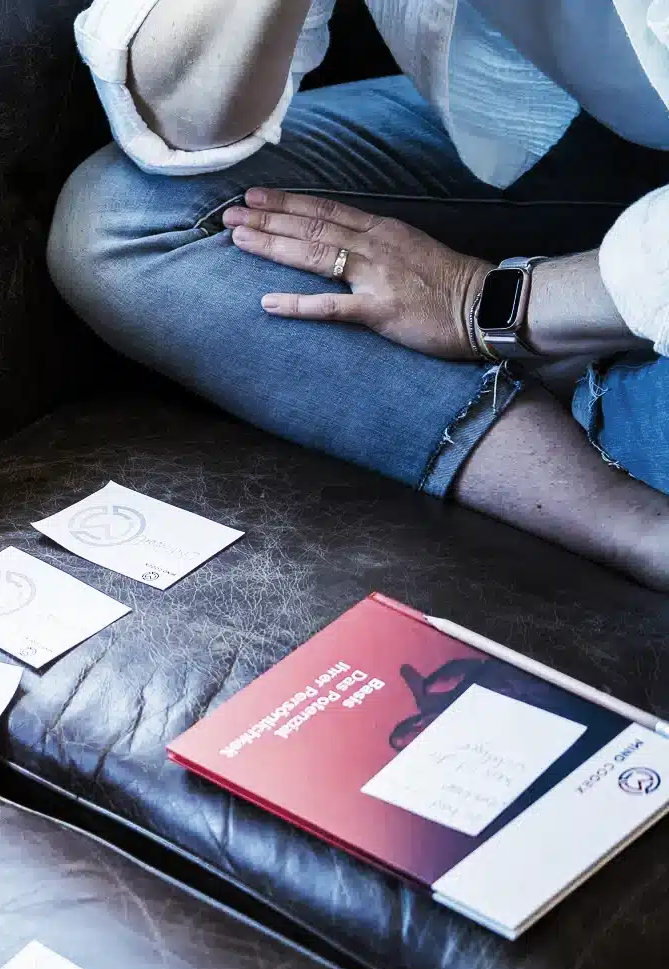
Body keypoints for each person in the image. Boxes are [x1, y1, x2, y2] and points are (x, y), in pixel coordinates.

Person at [49, 0, 669, 589]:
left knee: (652, 425)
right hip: (570, 116)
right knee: (127, 226)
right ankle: (627, 519)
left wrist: (488, 302)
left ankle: (600, 367)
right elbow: (179, 116)